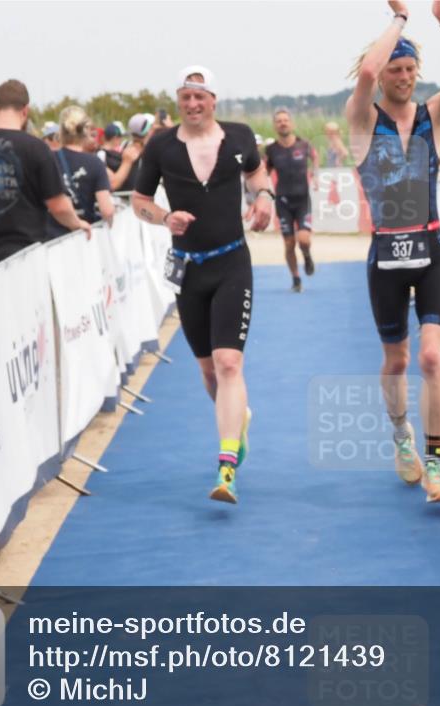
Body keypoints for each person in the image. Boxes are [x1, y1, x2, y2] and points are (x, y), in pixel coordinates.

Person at [346, 0, 440, 503]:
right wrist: (400, 19)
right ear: (383, 74)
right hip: (385, 257)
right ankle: (401, 431)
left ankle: (437, 464)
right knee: (397, 361)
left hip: (431, 250)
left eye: (410, 69)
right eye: (395, 70)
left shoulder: (434, 115)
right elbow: (363, 70)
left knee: (431, 356)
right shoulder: (363, 119)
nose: (404, 77)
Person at [131, 65, 273, 504]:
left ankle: (226, 467)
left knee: (230, 363)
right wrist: (164, 217)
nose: (193, 104)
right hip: (189, 269)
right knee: (210, 372)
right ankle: (238, 421)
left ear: (213, 100)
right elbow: (139, 201)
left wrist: (264, 197)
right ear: (179, 102)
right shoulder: (160, 147)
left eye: (200, 96)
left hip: (232, 262)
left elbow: (256, 173)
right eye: (185, 97)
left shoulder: (241, 136)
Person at [0, 79, 90, 265]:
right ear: (25, 110)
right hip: (26, 260)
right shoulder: (36, 148)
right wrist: (77, 223)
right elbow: (59, 206)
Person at [266, 108, 318, 292]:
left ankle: (307, 255)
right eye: (279, 120)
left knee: (303, 239)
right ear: (275, 125)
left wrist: (317, 175)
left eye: (285, 120)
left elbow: (315, 157)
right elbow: (264, 172)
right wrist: (261, 194)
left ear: (291, 123)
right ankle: (296, 279)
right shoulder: (271, 150)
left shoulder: (303, 145)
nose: (282, 123)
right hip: (283, 202)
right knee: (289, 243)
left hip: (303, 200)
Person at [47, 106, 115, 239]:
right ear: (86, 131)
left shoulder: (47, 158)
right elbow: (106, 210)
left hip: (52, 239)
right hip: (84, 235)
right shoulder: (95, 163)